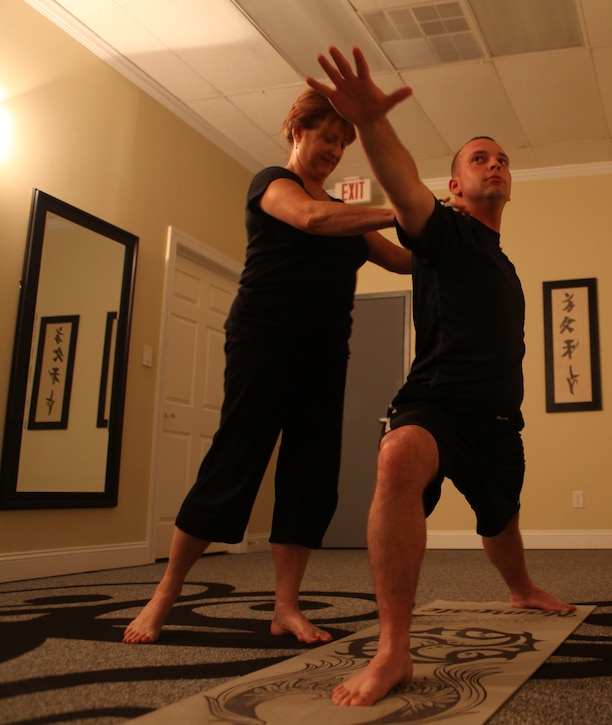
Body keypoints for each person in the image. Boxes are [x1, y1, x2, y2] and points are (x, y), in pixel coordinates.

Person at [306, 46, 576, 708]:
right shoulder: (443, 230)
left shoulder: (503, 265)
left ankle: (520, 587)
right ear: (455, 186)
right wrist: (371, 123)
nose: (494, 163)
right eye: (478, 158)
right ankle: (393, 647)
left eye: (501, 157)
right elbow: (401, 186)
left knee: (501, 522)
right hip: (436, 404)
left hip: (497, 421)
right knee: (397, 456)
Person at [122, 89, 411, 646]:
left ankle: (286, 607)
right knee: (236, 459)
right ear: (297, 131)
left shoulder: (347, 215)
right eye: (327, 136)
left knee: (311, 473)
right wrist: (400, 207)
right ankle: (166, 591)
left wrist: (452, 233)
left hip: (325, 352)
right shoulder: (272, 183)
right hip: (263, 339)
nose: (334, 150)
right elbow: (309, 218)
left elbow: (401, 259)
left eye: (342, 142)